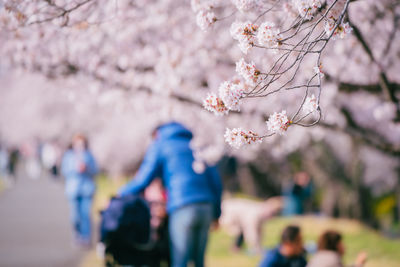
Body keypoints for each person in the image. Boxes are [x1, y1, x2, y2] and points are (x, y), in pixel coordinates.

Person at [119, 122, 223, 267]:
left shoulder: (161, 144)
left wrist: (120, 195)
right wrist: (217, 214)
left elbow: (143, 179)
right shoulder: (197, 146)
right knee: (199, 260)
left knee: (180, 259)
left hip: (182, 205)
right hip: (206, 206)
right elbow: (216, 182)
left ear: (156, 134)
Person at [61, 134, 98, 247]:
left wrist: (87, 168)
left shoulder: (89, 156)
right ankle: (76, 235)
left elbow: (95, 170)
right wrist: (75, 168)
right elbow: (64, 171)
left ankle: (86, 237)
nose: (80, 146)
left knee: (85, 214)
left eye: (82, 144)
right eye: (77, 144)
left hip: (87, 189)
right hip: (73, 189)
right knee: (75, 215)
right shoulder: (68, 156)